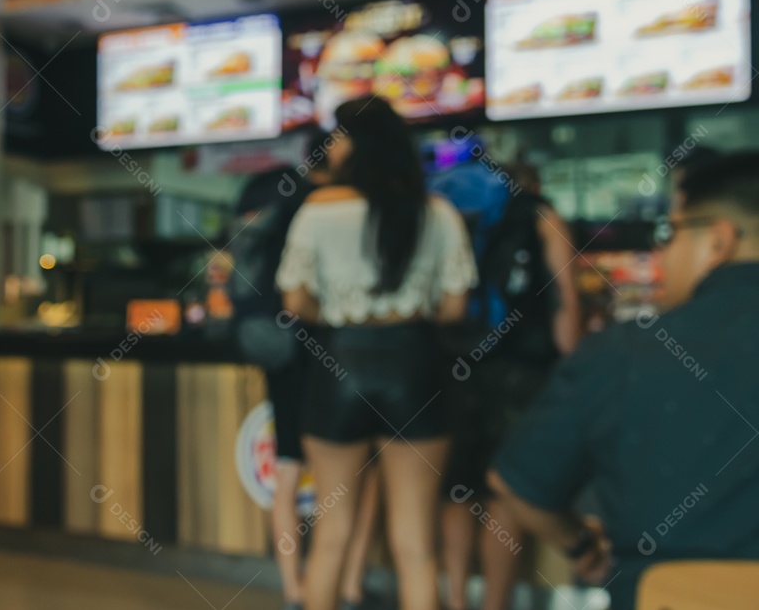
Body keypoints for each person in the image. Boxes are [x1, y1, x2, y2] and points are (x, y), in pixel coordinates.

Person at [488, 151, 759, 610]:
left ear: (718, 241)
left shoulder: (624, 353)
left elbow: (517, 484)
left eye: (669, 233)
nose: (660, 252)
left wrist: (580, 547)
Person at [276, 97, 477, 610]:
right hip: (414, 365)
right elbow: (454, 308)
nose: (334, 145)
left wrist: (345, 308)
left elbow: (295, 301)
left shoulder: (318, 210)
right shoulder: (438, 212)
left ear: (359, 145)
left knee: (332, 534)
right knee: (415, 545)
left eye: (340, 135)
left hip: (339, 364)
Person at [230, 129, 381, 610]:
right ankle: (350, 587)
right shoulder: (337, 205)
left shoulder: (283, 202)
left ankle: (297, 591)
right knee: (361, 474)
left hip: (279, 353)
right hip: (328, 353)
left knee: (289, 473)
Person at [438, 161, 581, 610]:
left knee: (456, 492)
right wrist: (573, 366)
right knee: (505, 494)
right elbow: (566, 304)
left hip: (456, 366)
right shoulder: (543, 217)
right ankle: (495, 604)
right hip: (522, 371)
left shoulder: (451, 216)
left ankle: (457, 600)